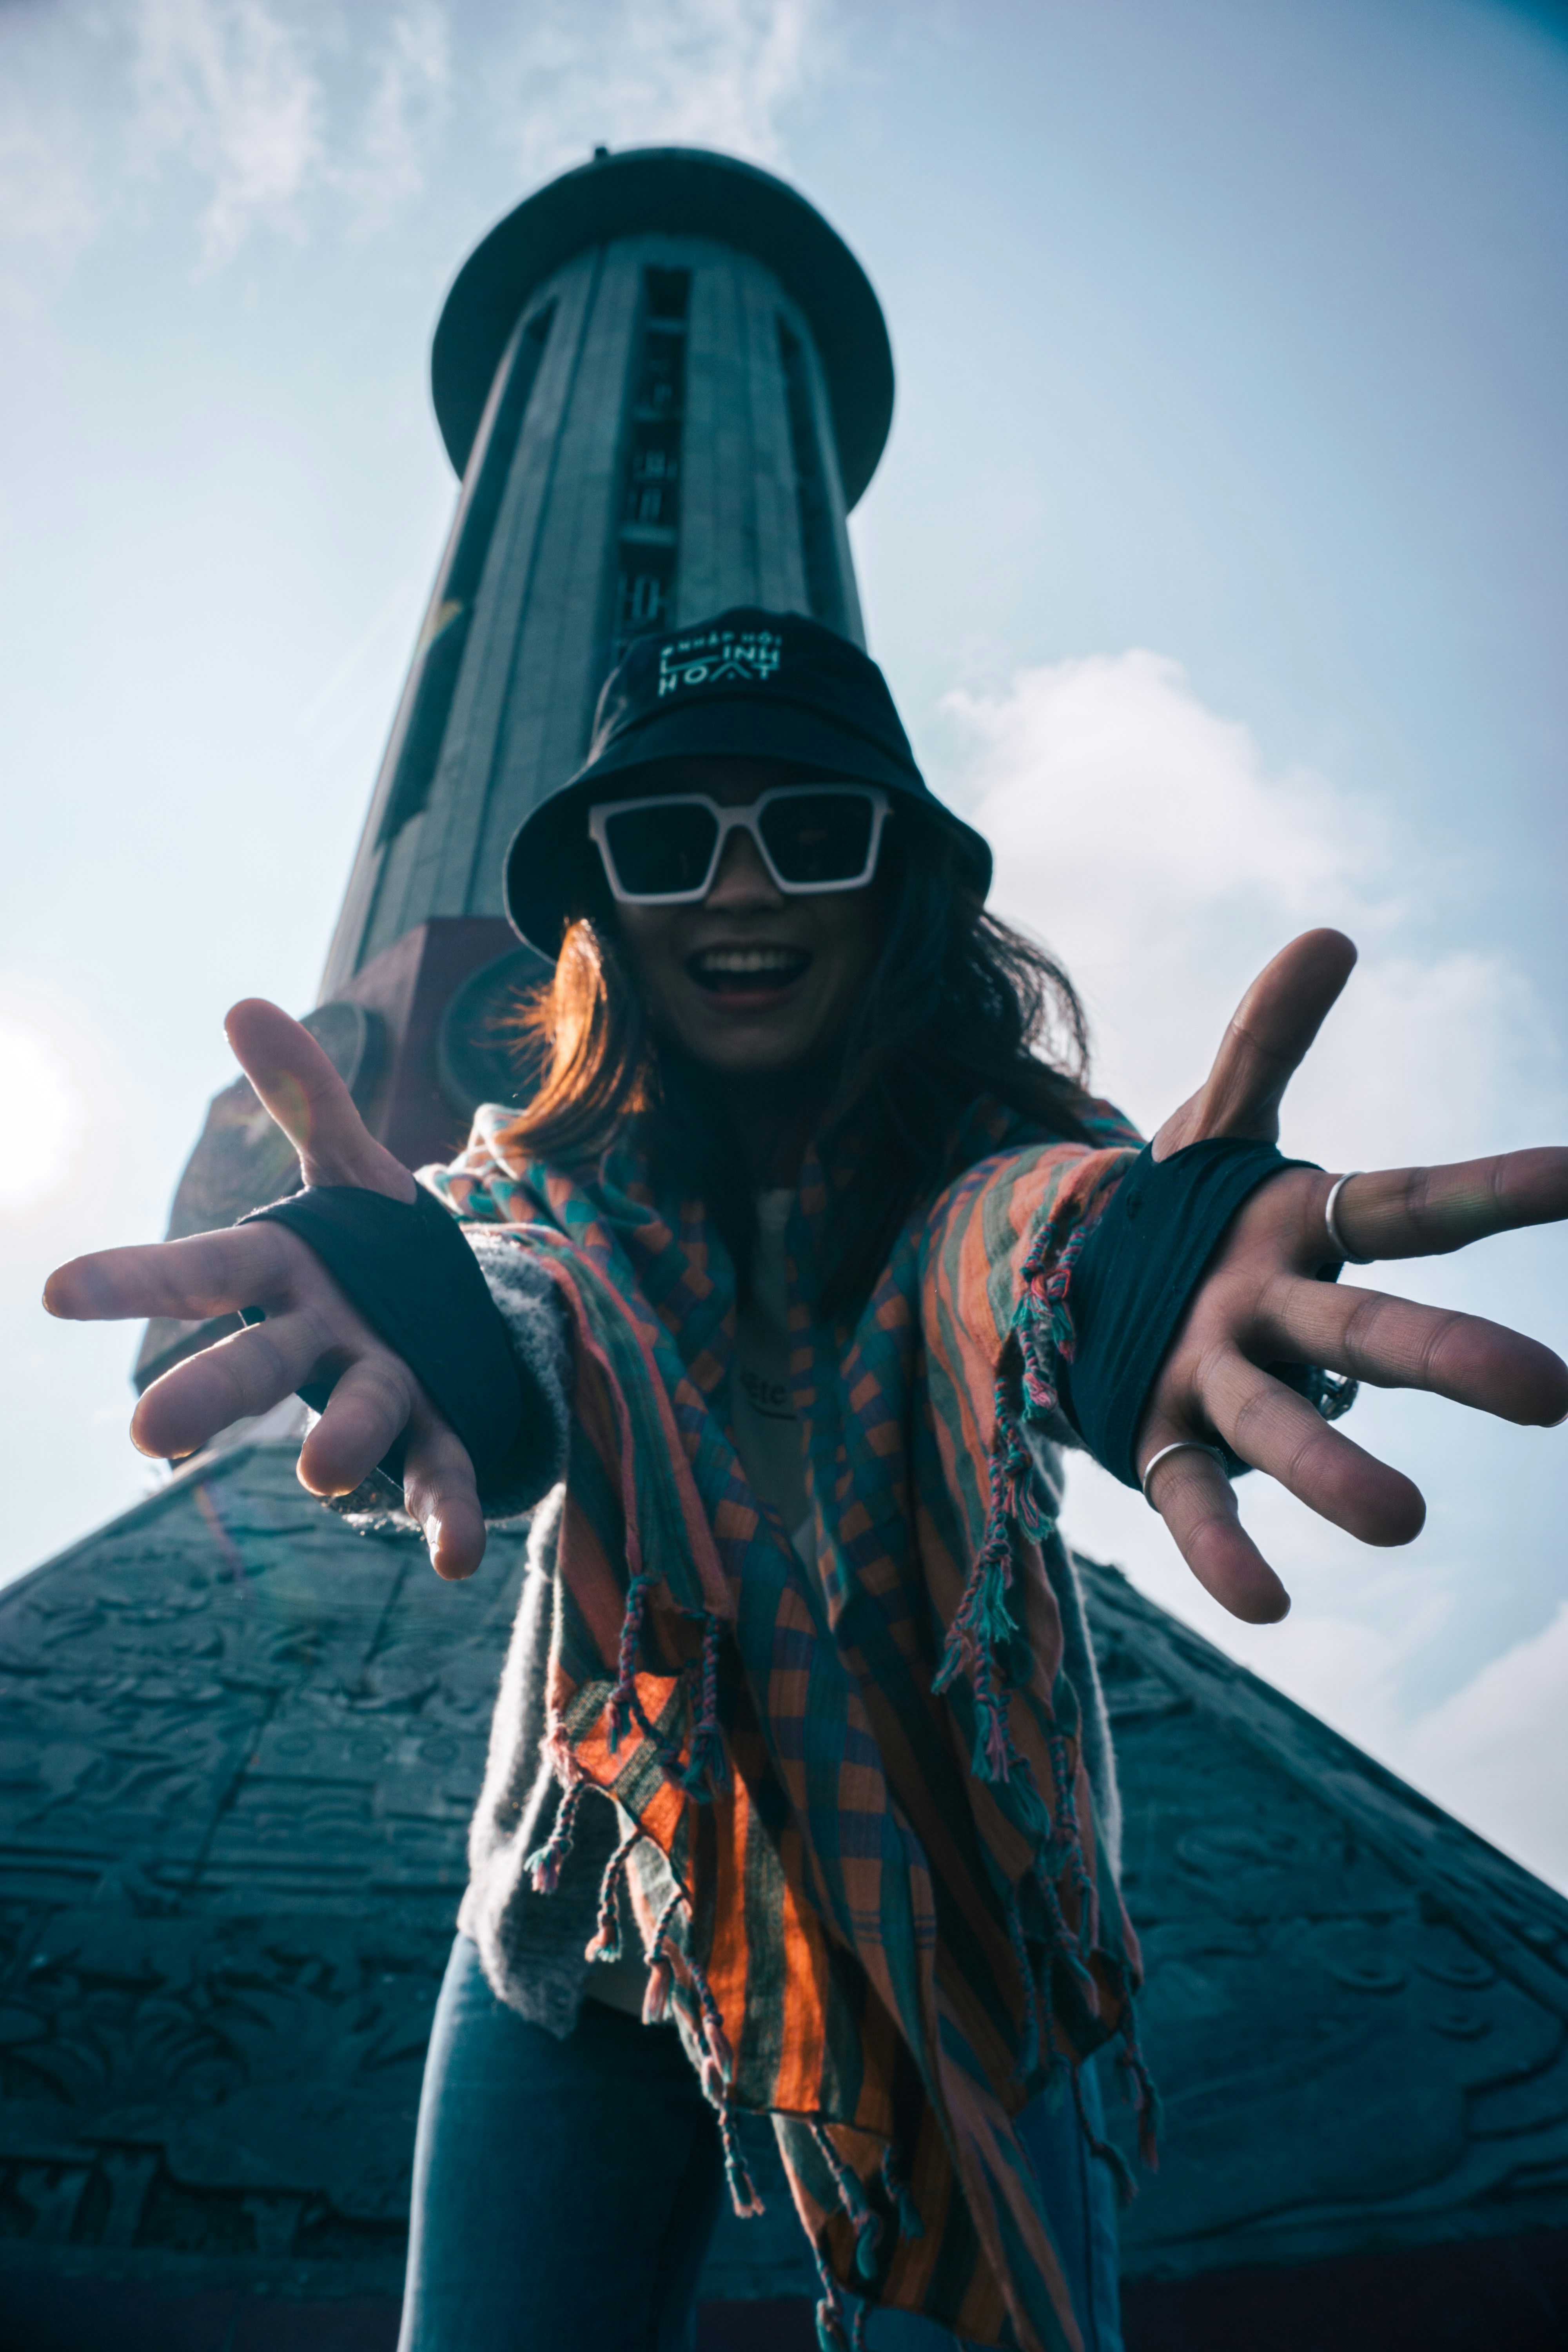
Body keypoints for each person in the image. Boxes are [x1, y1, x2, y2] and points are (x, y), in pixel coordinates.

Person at [45, 610, 1568, 2352]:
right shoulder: (538, 1193)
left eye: (815, 832)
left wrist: (1127, 1285)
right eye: (670, 842)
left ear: (895, 885)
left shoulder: (1003, 1174)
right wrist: (447, 1354)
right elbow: (521, 1297)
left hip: (964, 1934)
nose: (742, 890)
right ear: (604, 906)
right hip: (586, 1915)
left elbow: (1031, 1250)